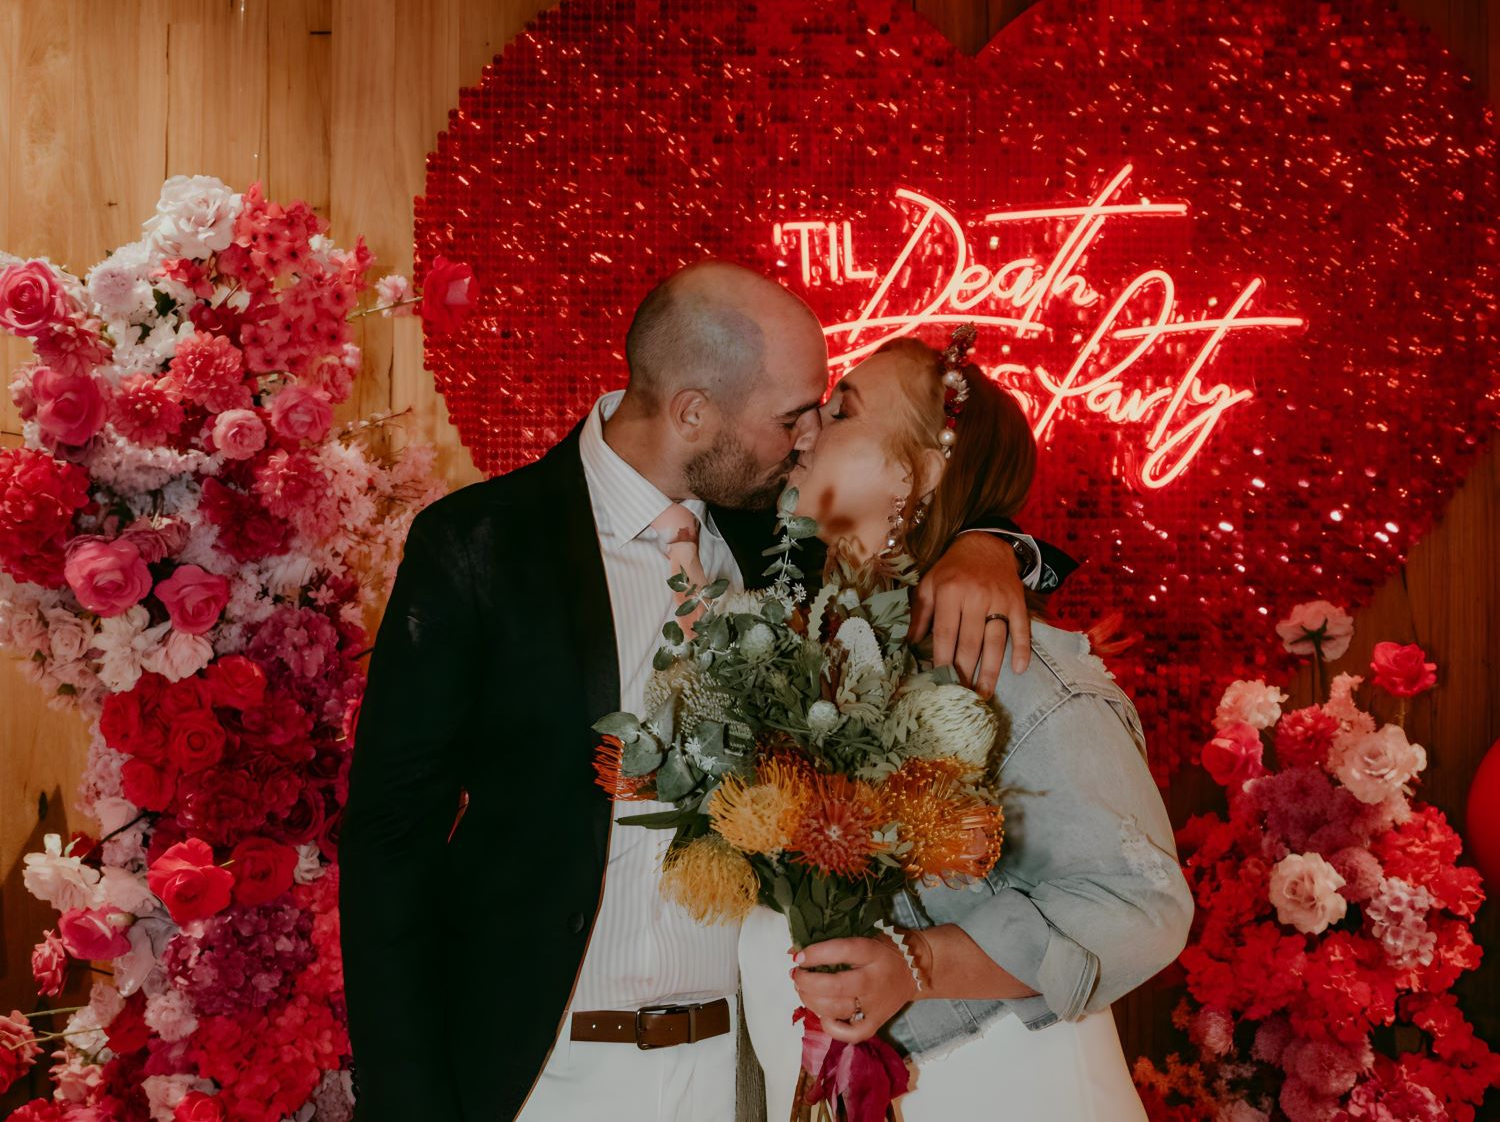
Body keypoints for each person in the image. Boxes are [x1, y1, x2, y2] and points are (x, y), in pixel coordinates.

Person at [339, 262, 1061, 1122]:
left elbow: (929, 495)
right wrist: (406, 1101)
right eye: (791, 415)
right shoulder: (482, 544)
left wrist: (990, 544)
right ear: (693, 412)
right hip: (539, 1074)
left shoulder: (785, 539)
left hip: (740, 1070)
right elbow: (390, 834)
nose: (807, 440)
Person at [738, 337, 1194, 1121]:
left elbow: (1144, 906)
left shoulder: (1009, 662)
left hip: (1004, 1092)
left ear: (917, 474)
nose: (806, 430)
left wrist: (917, 963)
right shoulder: (805, 648)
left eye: (841, 410)